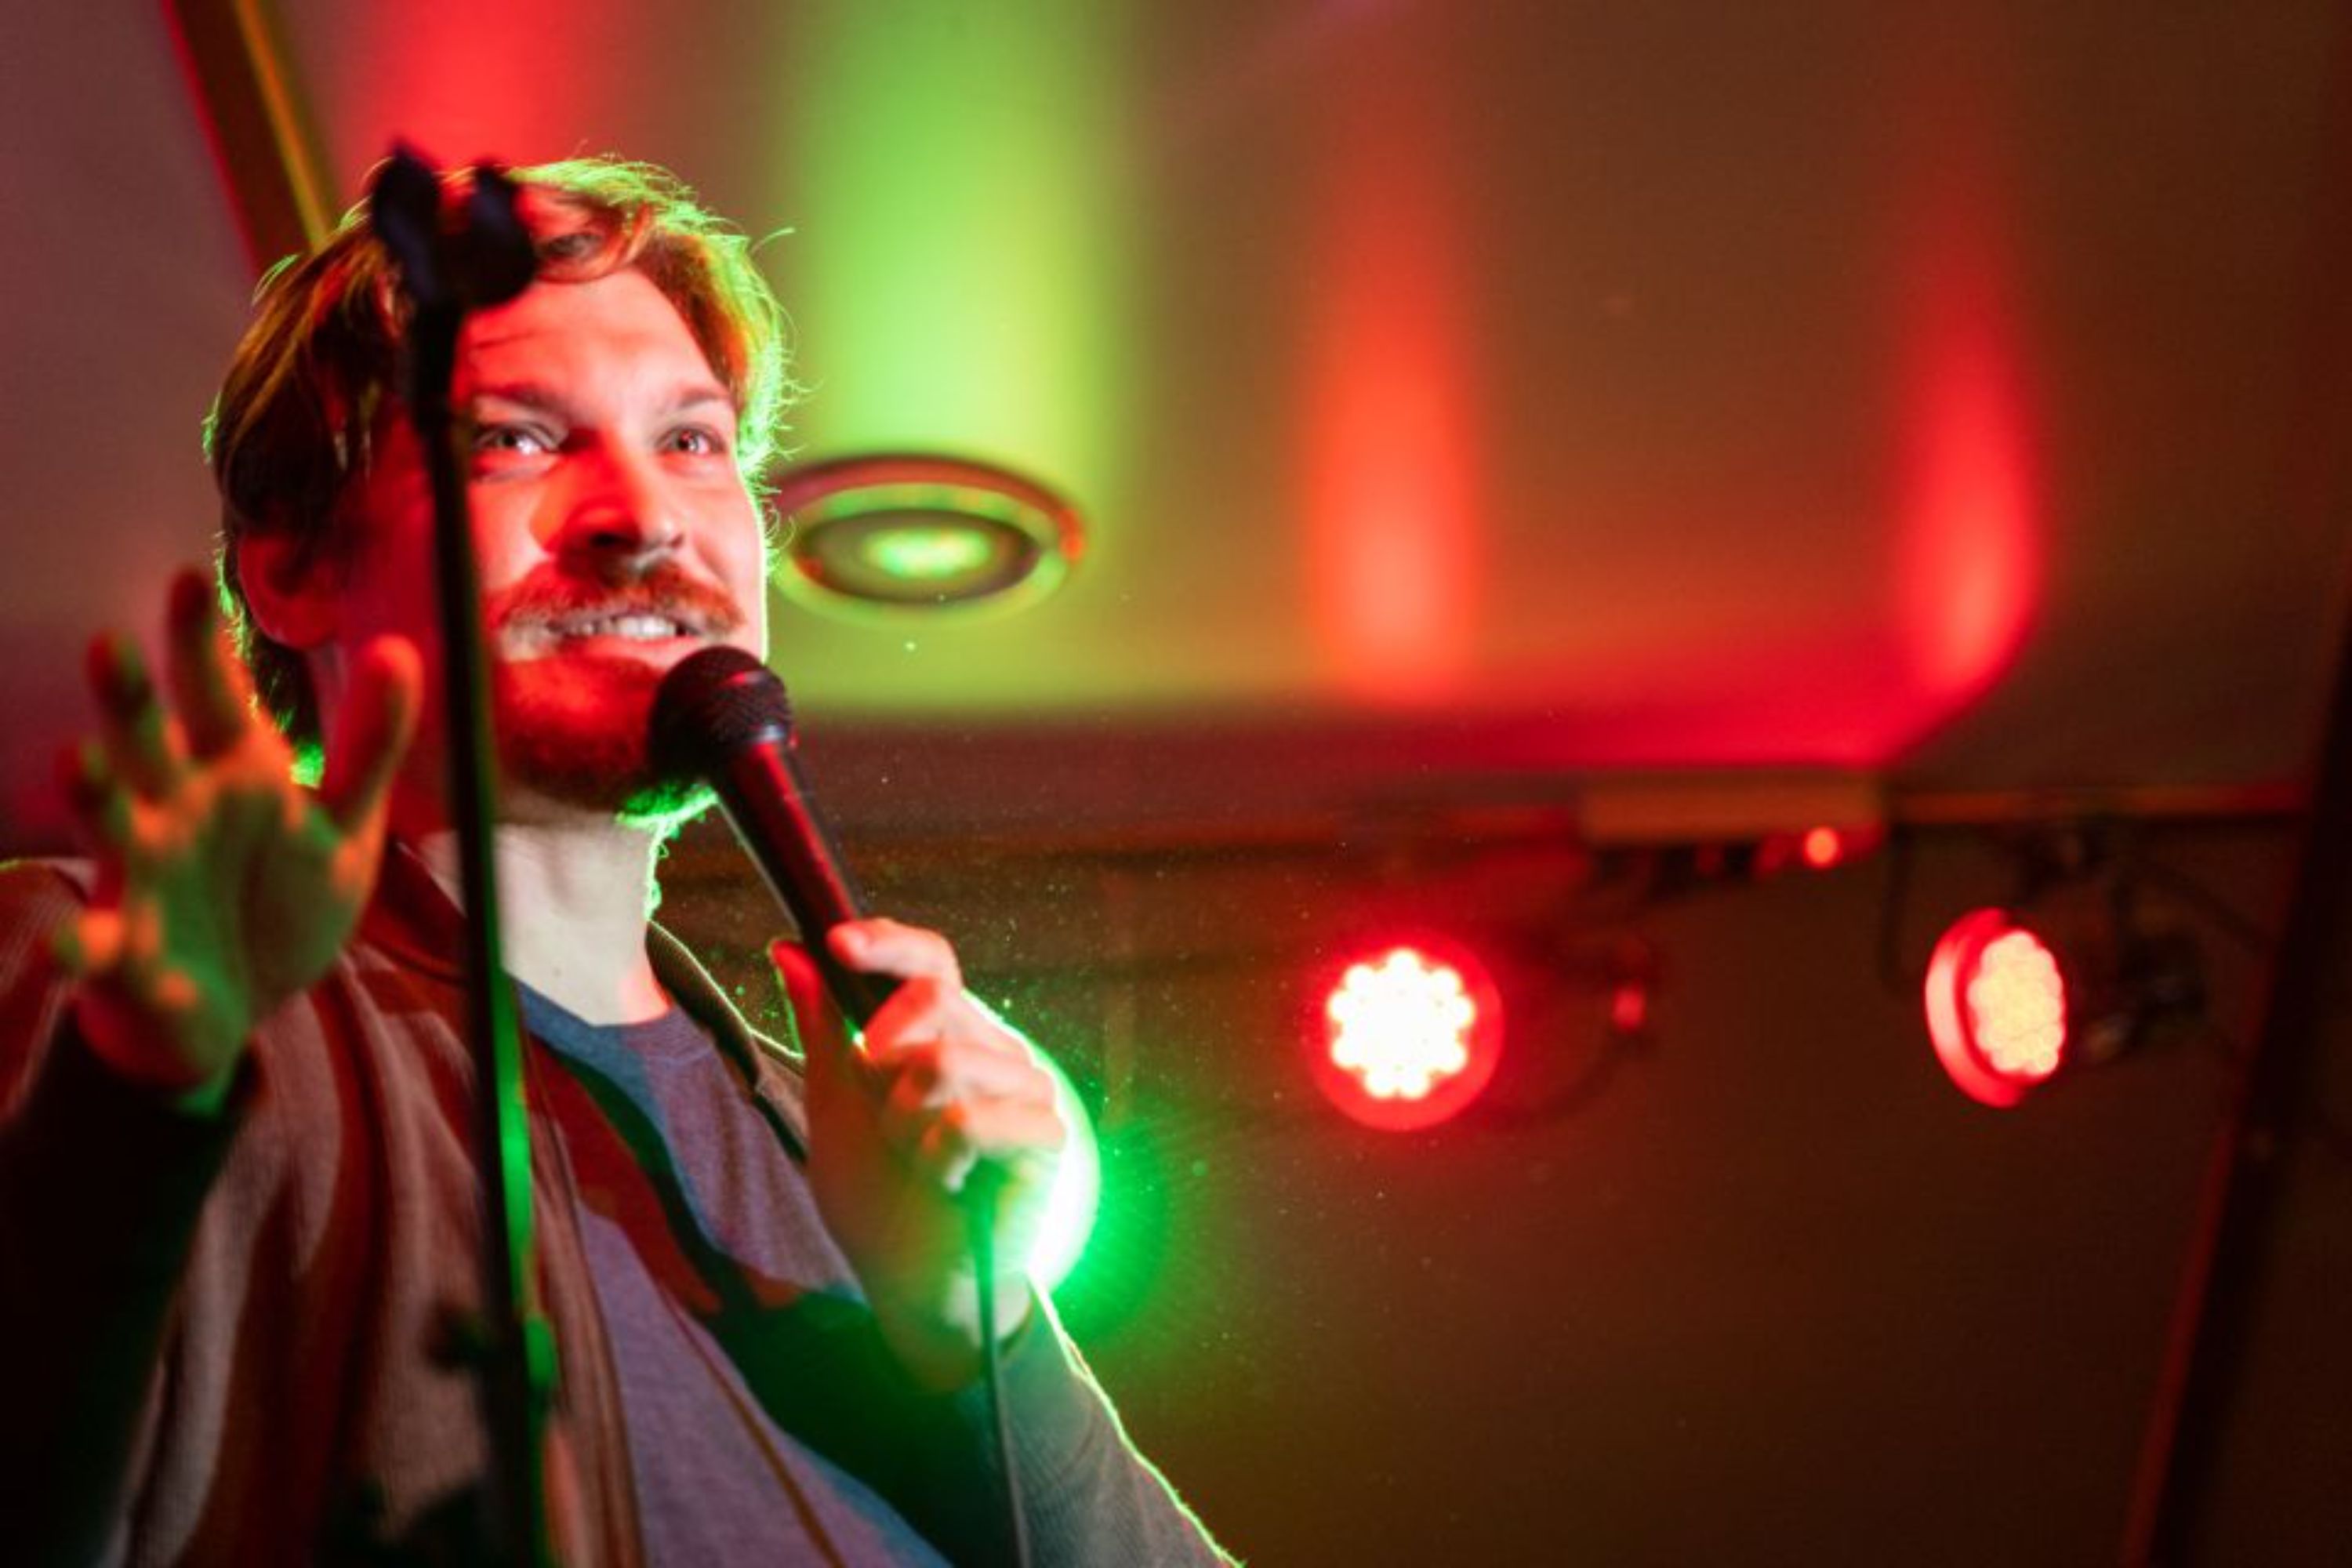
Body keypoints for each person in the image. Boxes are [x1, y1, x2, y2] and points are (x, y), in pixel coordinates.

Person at [0, 158, 1229, 1566]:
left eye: (696, 443)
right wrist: (128, 1103)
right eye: (515, 441)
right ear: (291, 570)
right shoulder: (100, 978)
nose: (641, 516)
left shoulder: (842, 1138)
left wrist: (987, 1341)